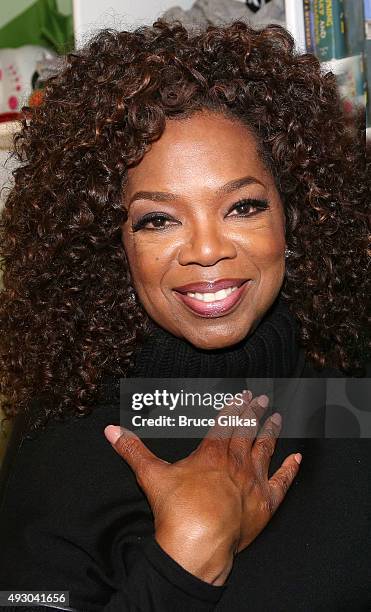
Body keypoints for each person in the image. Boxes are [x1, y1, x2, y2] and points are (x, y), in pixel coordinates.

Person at [0, 18, 370, 612]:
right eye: (157, 219)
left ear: (294, 214)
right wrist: (182, 561)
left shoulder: (354, 380)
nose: (205, 249)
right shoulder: (68, 429)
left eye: (243, 206)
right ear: (109, 242)